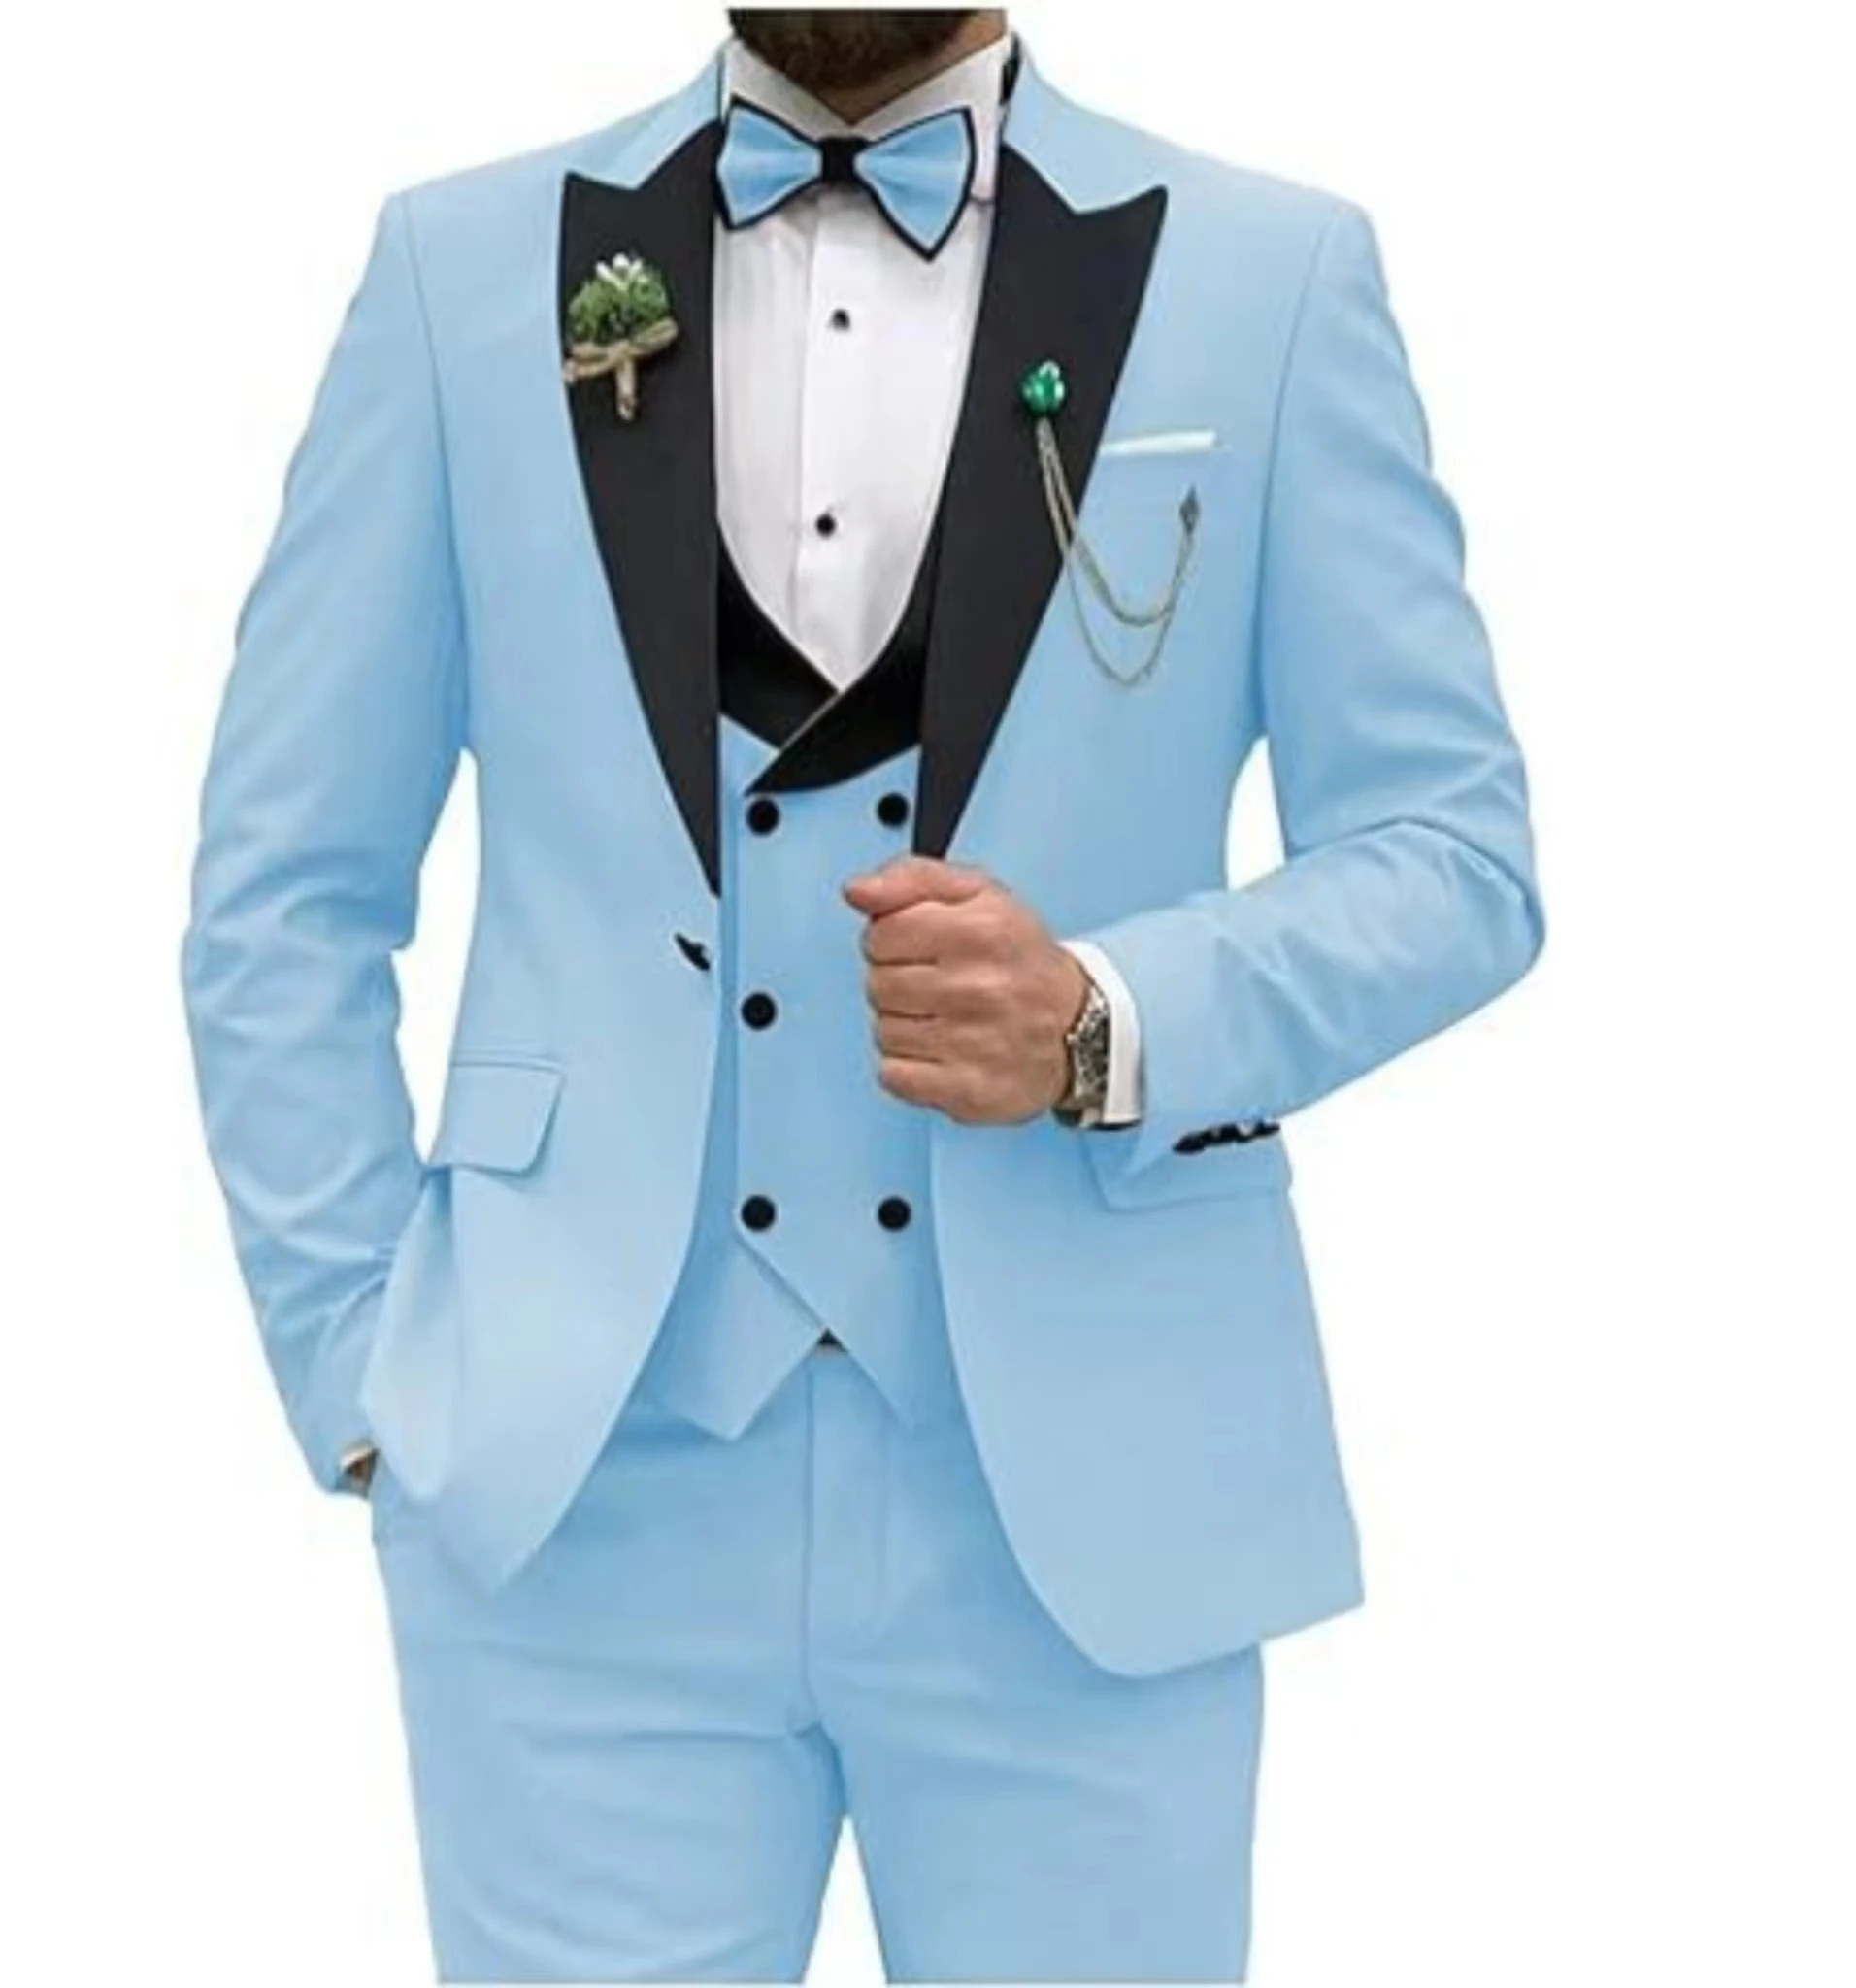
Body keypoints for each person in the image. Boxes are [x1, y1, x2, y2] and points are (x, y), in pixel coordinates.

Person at [180, 9, 1543, 1978]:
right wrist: (366, 1373)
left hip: (1089, 1500)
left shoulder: (1272, 280)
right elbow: (283, 884)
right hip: (576, 1494)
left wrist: (1105, 1019)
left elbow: (1453, 851)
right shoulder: (453, 274)